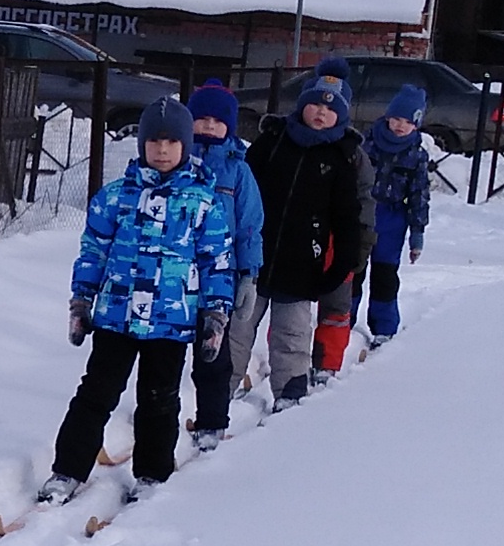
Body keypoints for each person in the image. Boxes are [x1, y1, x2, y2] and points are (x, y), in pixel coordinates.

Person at [46, 90, 235, 502]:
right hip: (116, 316)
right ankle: (67, 471)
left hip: (171, 320)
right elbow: (93, 251)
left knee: (159, 399)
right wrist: (82, 301)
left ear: (185, 145)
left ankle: (152, 474)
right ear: (141, 144)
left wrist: (216, 315)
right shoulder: (116, 196)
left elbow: (217, 262)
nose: (162, 150)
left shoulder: (203, 202)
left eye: (171, 142)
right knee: (96, 393)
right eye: (154, 141)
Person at [246, 68, 373, 401]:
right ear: (302, 105)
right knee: (237, 329)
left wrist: (345, 260)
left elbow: (349, 215)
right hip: (253, 259)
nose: (321, 112)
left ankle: (289, 395)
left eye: (331, 109)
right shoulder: (273, 141)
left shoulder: (342, 159)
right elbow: (244, 190)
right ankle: (217, 397)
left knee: (292, 336)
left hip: (301, 266)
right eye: (316, 104)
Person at [183, 80, 267, 437]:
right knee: (168, 355)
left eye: (217, 121)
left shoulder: (238, 170)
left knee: (214, 356)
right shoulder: (177, 159)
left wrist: (248, 274)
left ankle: (212, 422)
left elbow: (249, 226)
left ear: (229, 127)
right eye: (200, 119)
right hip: (172, 277)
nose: (208, 126)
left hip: (219, 278)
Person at [363, 84, 435, 344]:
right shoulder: (367, 143)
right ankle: (341, 322)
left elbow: (419, 195)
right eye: (396, 119)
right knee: (352, 269)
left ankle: (384, 328)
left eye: (408, 121)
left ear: (416, 125)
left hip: (392, 219)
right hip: (360, 212)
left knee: (384, 274)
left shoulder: (416, 155)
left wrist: (417, 234)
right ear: (387, 117)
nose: (400, 126)